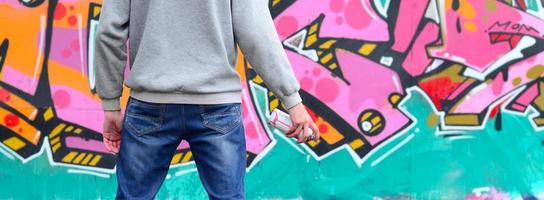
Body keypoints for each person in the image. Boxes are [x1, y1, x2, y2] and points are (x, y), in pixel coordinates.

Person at [94, 0, 320, 199]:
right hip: (217, 106)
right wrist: (291, 99)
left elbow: (109, 31)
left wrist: (111, 105)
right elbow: (255, 30)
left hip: (150, 103)